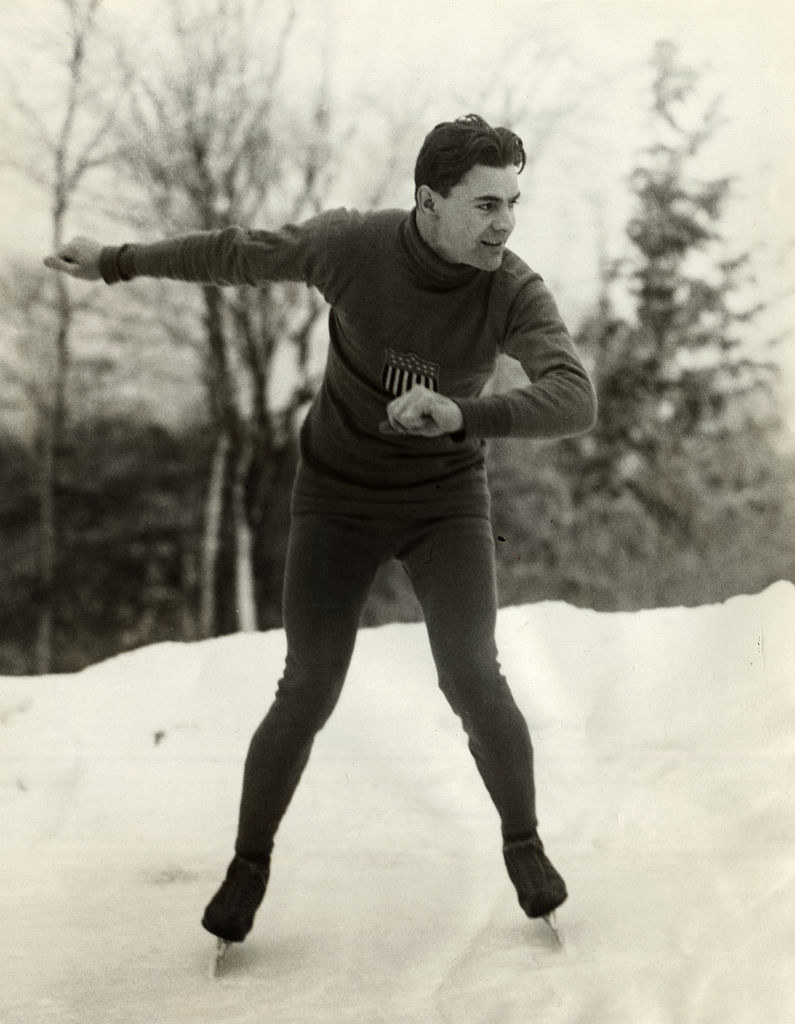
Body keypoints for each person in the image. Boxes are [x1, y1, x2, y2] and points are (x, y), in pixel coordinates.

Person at [45, 114, 597, 944]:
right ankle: (248, 865)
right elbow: (238, 252)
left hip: (444, 501)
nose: (504, 223)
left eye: (512, 203)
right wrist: (118, 262)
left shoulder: (511, 288)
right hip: (336, 497)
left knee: (472, 676)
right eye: (485, 205)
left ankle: (522, 843)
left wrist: (462, 413)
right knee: (308, 685)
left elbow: (573, 397)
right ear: (427, 201)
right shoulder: (352, 247)